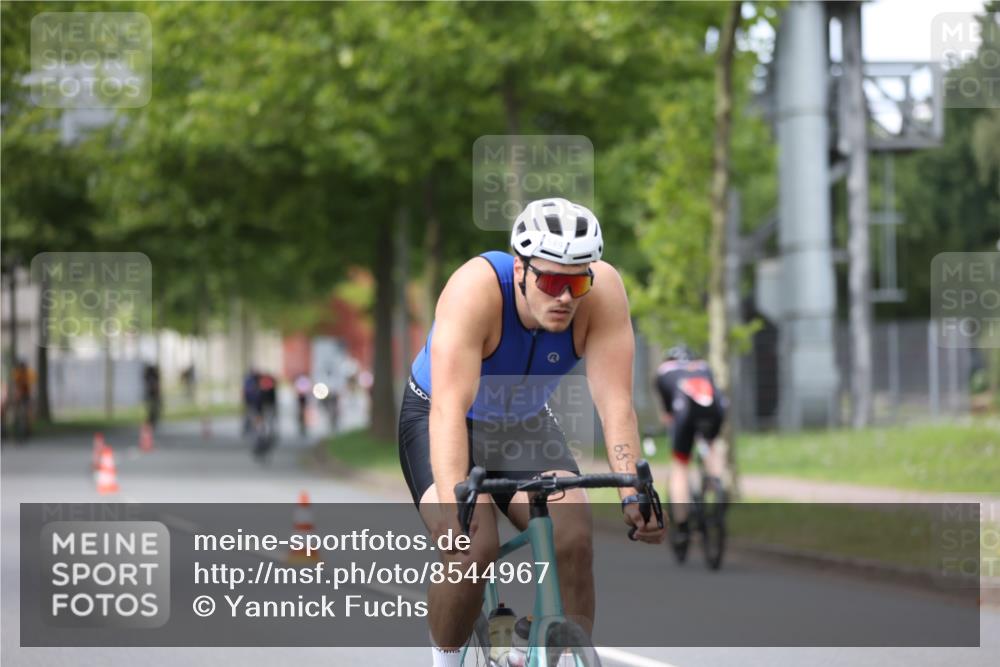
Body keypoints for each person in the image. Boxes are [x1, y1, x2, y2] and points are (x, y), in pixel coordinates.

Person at [398, 197, 664, 667]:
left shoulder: (601, 296)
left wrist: (633, 491)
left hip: (522, 423)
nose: (565, 296)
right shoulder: (475, 290)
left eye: (578, 281)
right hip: (442, 416)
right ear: (520, 268)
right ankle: (443, 660)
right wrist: (454, 504)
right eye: (552, 280)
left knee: (574, 535)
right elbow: (448, 408)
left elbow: (616, 402)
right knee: (470, 544)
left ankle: (556, 655)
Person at [653, 345, 728, 557]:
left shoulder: (663, 371)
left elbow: (668, 414)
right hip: (715, 411)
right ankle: (717, 484)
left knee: (680, 465)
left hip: (685, 413)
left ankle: (683, 523)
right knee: (711, 444)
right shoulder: (703, 366)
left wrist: (669, 422)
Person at [142, 363, 161, 429]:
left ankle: (151, 422)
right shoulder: (151, 377)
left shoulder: (150, 377)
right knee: (152, 409)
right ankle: (150, 423)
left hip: (153, 395)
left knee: (153, 410)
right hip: (152, 395)